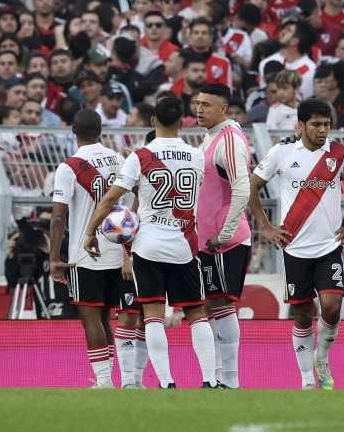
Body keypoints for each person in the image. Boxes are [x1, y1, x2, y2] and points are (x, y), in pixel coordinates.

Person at [81, 94, 216, 389]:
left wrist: (91, 231)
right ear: (183, 120)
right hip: (184, 244)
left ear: (153, 120)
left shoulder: (140, 157)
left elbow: (111, 199)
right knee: (196, 312)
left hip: (149, 245)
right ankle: (210, 379)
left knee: (153, 315)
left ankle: (167, 382)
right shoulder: (196, 156)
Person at [249, 98, 344, 389]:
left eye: (326, 124)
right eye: (315, 124)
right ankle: (306, 381)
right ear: (300, 125)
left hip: (328, 247)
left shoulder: (340, 153)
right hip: (295, 247)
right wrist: (265, 227)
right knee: (301, 314)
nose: (322, 130)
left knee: (332, 305)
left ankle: (322, 358)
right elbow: (251, 186)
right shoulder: (282, 152)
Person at [47, 109, 126, 388]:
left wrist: (54, 257)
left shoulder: (69, 166)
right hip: (117, 247)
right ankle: (110, 378)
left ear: (73, 131)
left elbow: (58, 216)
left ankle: (104, 381)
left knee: (90, 317)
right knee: (106, 317)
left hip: (86, 251)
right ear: (101, 129)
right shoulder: (119, 159)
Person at [192, 83, 254, 388]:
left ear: (223, 109)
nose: (200, 109)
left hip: (225, 240)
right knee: (210, 304)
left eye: (206, 104)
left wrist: (225, 232)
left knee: (221, 303)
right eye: (198, 103)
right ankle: (215, 377)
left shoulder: (230, 140)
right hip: (208, 240)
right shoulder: (210, 138)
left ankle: (229, 379)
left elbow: (242, 188)